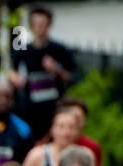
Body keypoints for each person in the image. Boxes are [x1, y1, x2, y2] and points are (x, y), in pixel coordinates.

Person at [8, 4, 76, 139]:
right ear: (31, 26)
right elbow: (11, 71)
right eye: (35, 24)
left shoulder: (59, 50)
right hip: (28, 108)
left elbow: (73, 76)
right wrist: (15, 78)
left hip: (52, 108)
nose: (39, 28)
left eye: (42, 24)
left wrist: (56, 69)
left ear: (49, 25)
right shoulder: (22, 50)